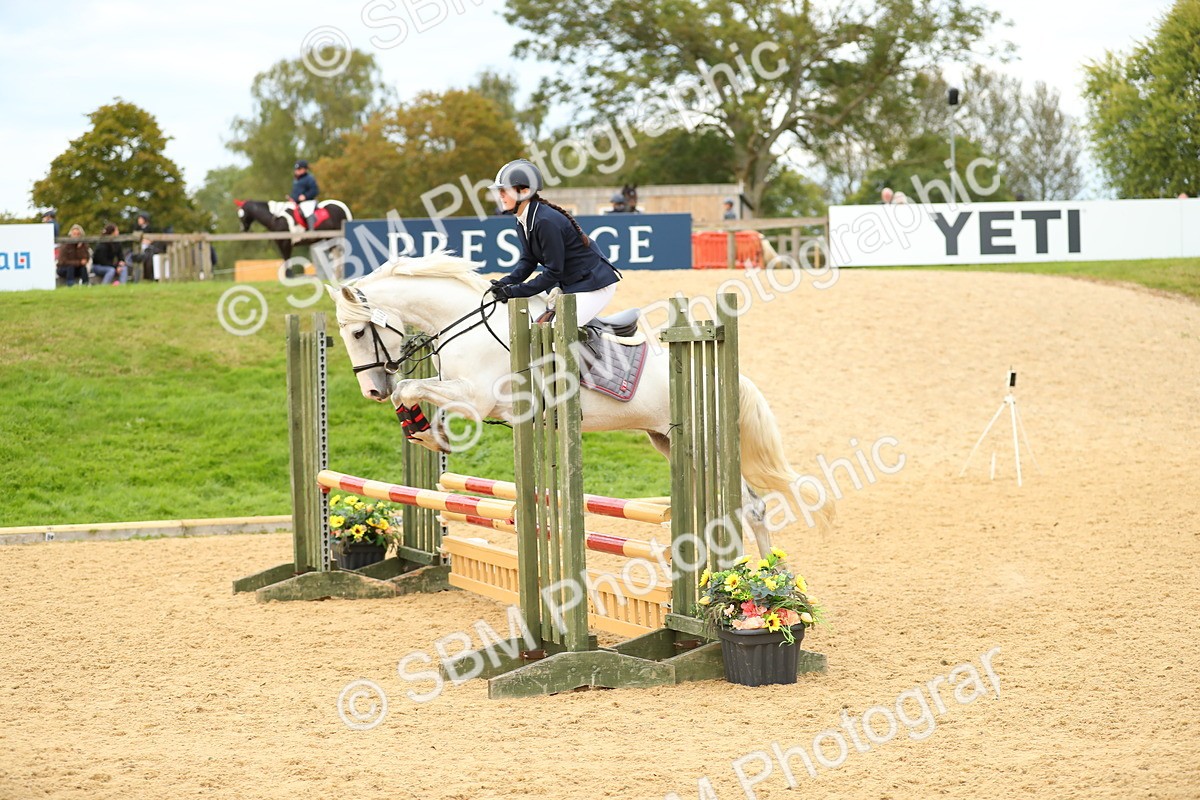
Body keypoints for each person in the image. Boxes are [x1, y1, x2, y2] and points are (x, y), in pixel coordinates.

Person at [487, 158, 621, 326]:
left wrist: (514, 291)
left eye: (505, 190)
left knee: (558, 331)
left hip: (593, 285)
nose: (500, 195)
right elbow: (528, 261)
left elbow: (553, 272)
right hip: (571, 283)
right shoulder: (523, 219)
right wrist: (505, 282)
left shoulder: (545, 221)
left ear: (525, 191)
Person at [290, 159, 320, 229]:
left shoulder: (309, 178)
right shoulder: (296, 180)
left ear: (305, 169)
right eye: (296, 169)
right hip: (297, 203)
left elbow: (315, 190)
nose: (297, 170)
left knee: (307, 210)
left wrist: (305, 196)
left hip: (308, 202)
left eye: (299, 169)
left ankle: (311, 231)